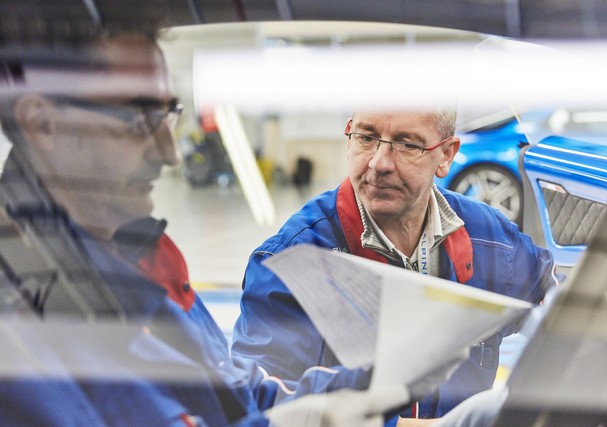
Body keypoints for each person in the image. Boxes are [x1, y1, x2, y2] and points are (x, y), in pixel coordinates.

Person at [0, 26, 418, 426]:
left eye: (166, 116)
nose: (169, 154)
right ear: (42, 124)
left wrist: (378, 384)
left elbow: (238, 396)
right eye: (138, 121)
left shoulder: (138, 260)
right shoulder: (23, 331)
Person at [232, 110, 558, 424]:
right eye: (366, 137)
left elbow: (561, 311)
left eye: (407, 144)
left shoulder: (491, 240)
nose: (379, 163)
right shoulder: (291, 263)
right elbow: (254, 408)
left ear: (445, 155)